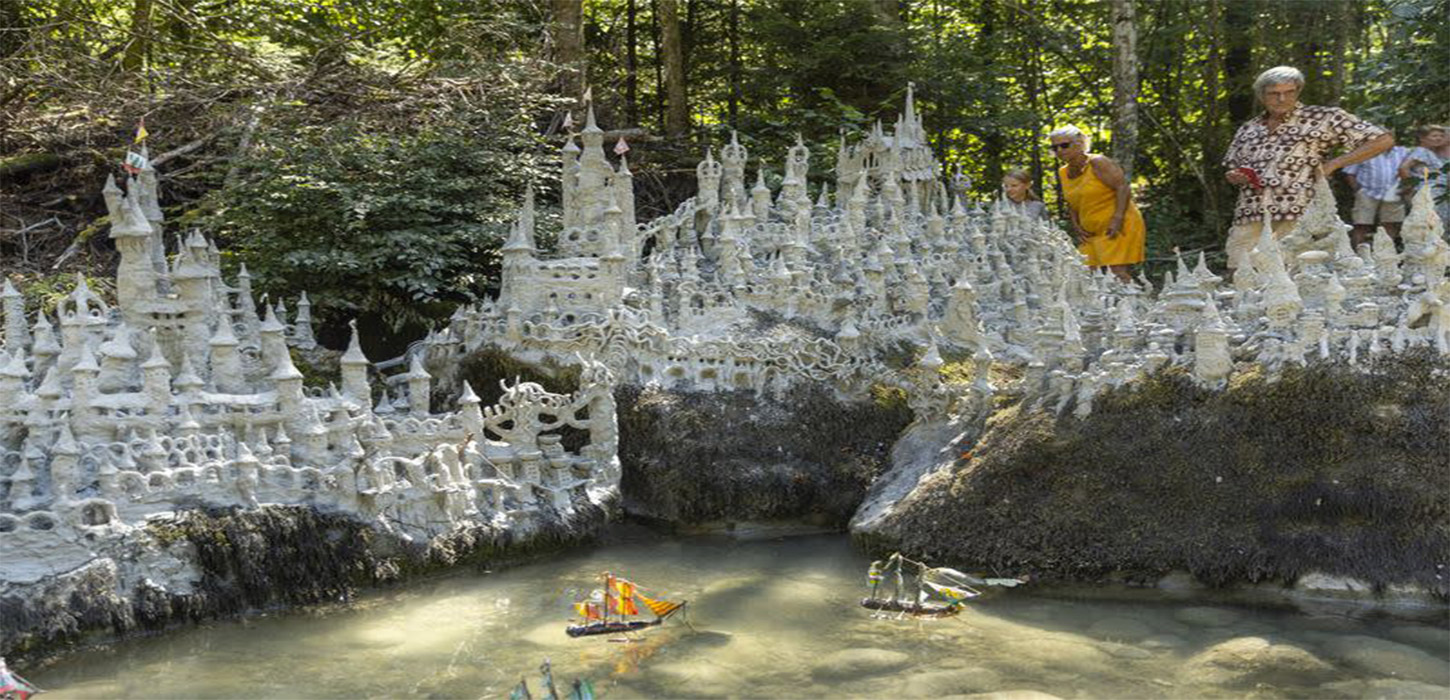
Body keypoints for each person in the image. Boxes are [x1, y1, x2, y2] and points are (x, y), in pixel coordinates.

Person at [1221, 66, 1392, 271]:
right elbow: (1233, 166)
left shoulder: (1324, 117)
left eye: (1289, 92)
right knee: (1241, 271)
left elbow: (1382, 140)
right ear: (1261, 96)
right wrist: (1235, 176)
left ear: (1298, 91)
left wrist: (1334, 164)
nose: (1282, 99)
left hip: (1301, 211)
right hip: (1252, 212)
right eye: (1274, 94)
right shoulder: (1249, 128)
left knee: (1296, 273)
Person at [1050, 126, 1145, 282]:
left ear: (1079, 143)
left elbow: (1122, 187)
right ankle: (1106, 305)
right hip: (1091, 232)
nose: (1059, 150)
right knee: (1085, 271)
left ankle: (1137, 304)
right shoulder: (1063, 172)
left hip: (1117, 225)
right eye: (1055, 147)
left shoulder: (1097, 162)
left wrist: (1118, 218)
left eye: (1064, 145)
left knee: (1116, 272)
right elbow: (1072, 201)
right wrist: (1076, 226)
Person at [1342, 141, 1408, 246]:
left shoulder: (1403, 152)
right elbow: (1350, 172)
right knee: (1361, 224)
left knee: (1391, 224)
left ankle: (1386, 252)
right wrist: (1358, 190)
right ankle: (1358, 255)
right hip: (1367, 193)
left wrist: (1405, 187)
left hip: (1394, 193)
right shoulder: (1364, 152)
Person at [1398, 124, 1449, 226]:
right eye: (1434, 136)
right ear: (1423, 138)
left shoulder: (1432, 152)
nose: (1438, 138)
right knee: (1431, 222)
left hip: (1438, 192)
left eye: (1441, 136)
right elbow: (1403, 168)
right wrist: (1411, 187)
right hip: (1428, 193)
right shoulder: (1421, 151)